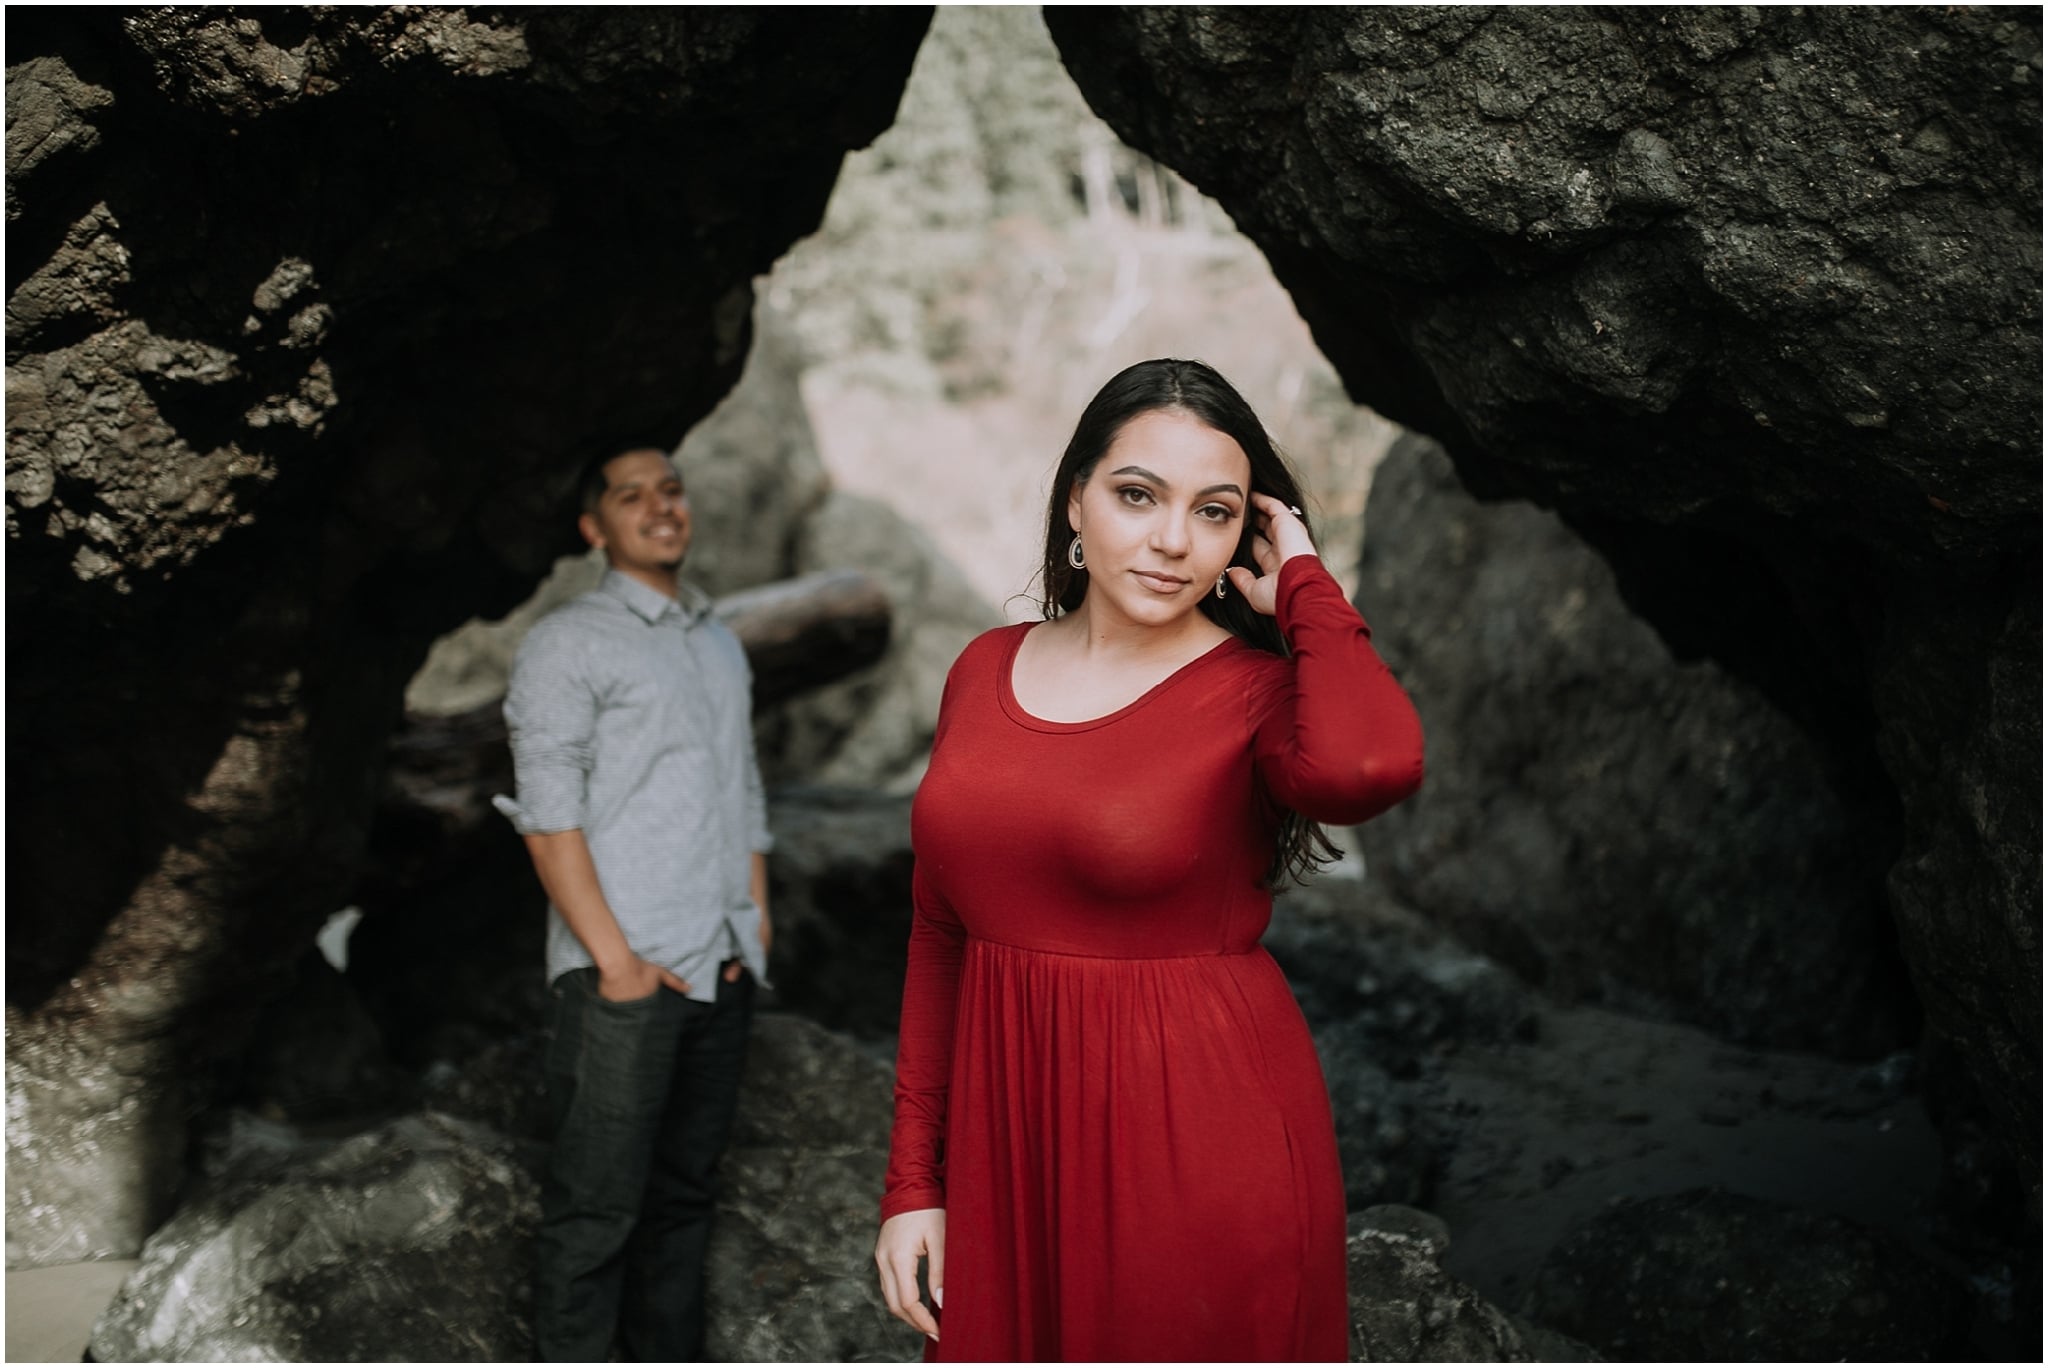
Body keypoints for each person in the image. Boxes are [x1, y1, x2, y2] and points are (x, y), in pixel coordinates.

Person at [873, 359, 1425, 1361]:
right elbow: (938, 939)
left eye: (1213, 513)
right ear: (1075, 498)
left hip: (1196, 1138)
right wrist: (915, 1183)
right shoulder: (981, 667)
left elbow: (1373, 762)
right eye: (1137, 496)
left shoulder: (1257, 696)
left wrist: (1302, 584)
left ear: (1239, 539)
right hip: (1011, 1147)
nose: (1172, 540)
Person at [496, 447, 773, 1362]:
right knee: (594, 1220)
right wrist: (615, 964)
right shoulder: (569, 642)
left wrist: (752, 924)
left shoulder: (718, 641)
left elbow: (745, 793)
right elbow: (548, 816)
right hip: (624, 979)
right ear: (594, 527)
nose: (660, 508)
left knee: (684, 1208)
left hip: (720, 963)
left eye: (671, 490)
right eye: (631, 496)